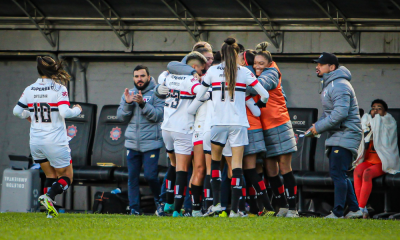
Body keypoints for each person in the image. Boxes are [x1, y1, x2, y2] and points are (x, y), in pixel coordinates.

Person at [195, 37, 270, 217]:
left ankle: (216, 205)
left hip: (217, 123)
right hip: (239, 124)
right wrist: (260, 106)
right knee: (236, 166)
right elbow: (264, 94)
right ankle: (235, 210)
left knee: (214, 163)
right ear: (237, 54)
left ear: (220, 54)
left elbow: (199, 94)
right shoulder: (244, 72)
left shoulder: (212, 71)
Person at [13, 56, 82, 218]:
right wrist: (78, 109)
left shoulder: (30, 89)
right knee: (67, 177)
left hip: (36, 142)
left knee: (50, 175)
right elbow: (65, 112)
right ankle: (49, 197)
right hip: (55, 142)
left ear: (38, 70)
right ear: (54, 70)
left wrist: (28, 115)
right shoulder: (59, 89)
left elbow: (16, 112)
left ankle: (49, 213)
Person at [308, 52, 362, 219]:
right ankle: (354, 210)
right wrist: (315, 127)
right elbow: (329, 113)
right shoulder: (330, 84)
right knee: (340, 174)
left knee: (337, 173)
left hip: (346, 134)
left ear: (331, 67)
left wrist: (319, 128)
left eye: (320, 64)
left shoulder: (339, 85)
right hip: (339, 135)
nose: (317, 67)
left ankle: (338, 212)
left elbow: (340, 114)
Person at [248, 42, 298, 217]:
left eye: (261, 63)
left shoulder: (272, 73)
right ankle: (282, 206)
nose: (257, 66)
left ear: (269, 64)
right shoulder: (253, 72)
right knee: (271, 170)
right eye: (255, 63)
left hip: (279, 124)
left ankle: (293, 209)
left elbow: (257, 86)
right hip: (264, 128)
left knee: (285, 167)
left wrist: (238, 84)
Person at [156, 51, 207, 217]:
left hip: (166, 127)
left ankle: (168, 204)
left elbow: (160, 78)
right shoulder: (191, 80)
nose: (201, 74)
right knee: (182, 169)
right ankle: (178, 210)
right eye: (201, 70)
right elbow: (202, 93)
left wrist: (158, 89)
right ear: (193, 67)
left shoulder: (168, 77)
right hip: (183, 128)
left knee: (173, 164)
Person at [117, 65, 165, 216]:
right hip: (132, 143)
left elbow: (158, 115)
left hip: (151, 142)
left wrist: (143, 104)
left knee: (151, 176)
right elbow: (120, 118)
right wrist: (128, 103)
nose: (139, 79)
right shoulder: (128, 94)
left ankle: (160, 204)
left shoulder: (157, 92)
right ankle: (134, 209)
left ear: (149, 77)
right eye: (136, 76)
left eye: (142, 76)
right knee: (132, 178)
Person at [239, 49, 276, 217]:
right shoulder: (247, 76)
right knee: (249, 170)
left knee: (250, 169)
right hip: (247, 126)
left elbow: (258, 108)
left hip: (250, 127)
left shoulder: (246, 76)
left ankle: (265, 207)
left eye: (239, 58)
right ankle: (255, 208)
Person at [353, 99, 400, 218]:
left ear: (385, 111)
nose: (376, 110)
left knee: (367, 174)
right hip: (370, 160)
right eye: (373, 108)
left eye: (379, 108)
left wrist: (375, 121)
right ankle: (362, 208)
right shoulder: (368, 123)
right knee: (358, 170)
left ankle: (360, 207)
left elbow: (382, 133)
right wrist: (369, 123)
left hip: (384, 162)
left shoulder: (390, 122)